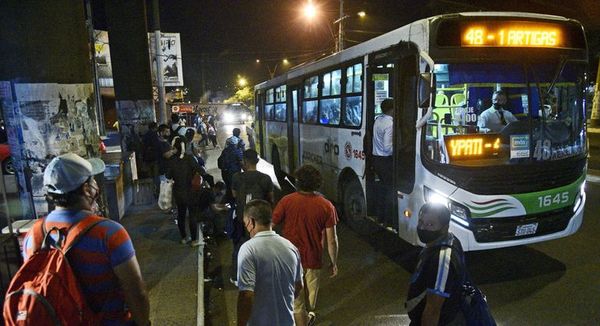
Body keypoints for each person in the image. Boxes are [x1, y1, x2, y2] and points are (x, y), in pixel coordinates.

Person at [22, 153, 150, 325]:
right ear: (86, 189)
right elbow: (136, 292)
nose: (96, 184)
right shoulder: (109, 233)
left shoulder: (34, 234)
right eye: (92, 180)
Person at [272, 164, 339, 326]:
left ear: (298, 182)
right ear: (317, 183)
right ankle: (308, 317)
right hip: (313, 258)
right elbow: (332, 240)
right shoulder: (326, 206)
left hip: (289, 258)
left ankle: (302, 318)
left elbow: (270, 224)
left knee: (296, 301)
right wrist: (333, 262)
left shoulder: (286, 201)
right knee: (311, 297)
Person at [237, 199, 303, 326]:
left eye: (246, 224)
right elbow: (298, 286)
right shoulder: (290, 247)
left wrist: (240, 323)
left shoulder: (248, 249)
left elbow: (246, 294)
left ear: (251, 222)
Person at [406, 203, 466, 326]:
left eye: (430, 224)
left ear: (444, 228)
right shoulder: (448, 239)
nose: (422, 228)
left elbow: (433, 310)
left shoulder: (442, 260)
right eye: (421, 222)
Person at [230, 149, 274, 285]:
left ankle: (237, 276)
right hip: (260, 220)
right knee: (261, 248)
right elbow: (270, 199)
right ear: (258, 161)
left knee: (240, 246)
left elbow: (234, 195)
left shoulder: (236, 177)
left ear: (244, 162)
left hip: (241, 219)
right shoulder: (265, 178)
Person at [167, 137, 203, 246]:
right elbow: (199, 169)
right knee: (192, 215)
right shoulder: (190, 158)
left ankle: (183, 238)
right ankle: (194, 240)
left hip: (178, 192)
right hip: (190, 191)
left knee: (181, 215)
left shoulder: (171, 160)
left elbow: (168, 175)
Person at [372, 98, 395, 227]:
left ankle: (380, 217)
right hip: (386, 161)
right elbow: (387, 148)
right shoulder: (390, 123)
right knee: (390, 191)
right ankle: (388, 220)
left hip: (377, 160)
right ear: (392, 109)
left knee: (382, 190)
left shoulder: (378, 120)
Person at [218, 136, 244, 203]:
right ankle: (234, 202)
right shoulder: (237, 151)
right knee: (234, 188)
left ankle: (229, 200)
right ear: (235, 144)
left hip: (224, 173)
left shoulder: (224, 151)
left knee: (228, 187)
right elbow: (241, 162)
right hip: (233, 173)